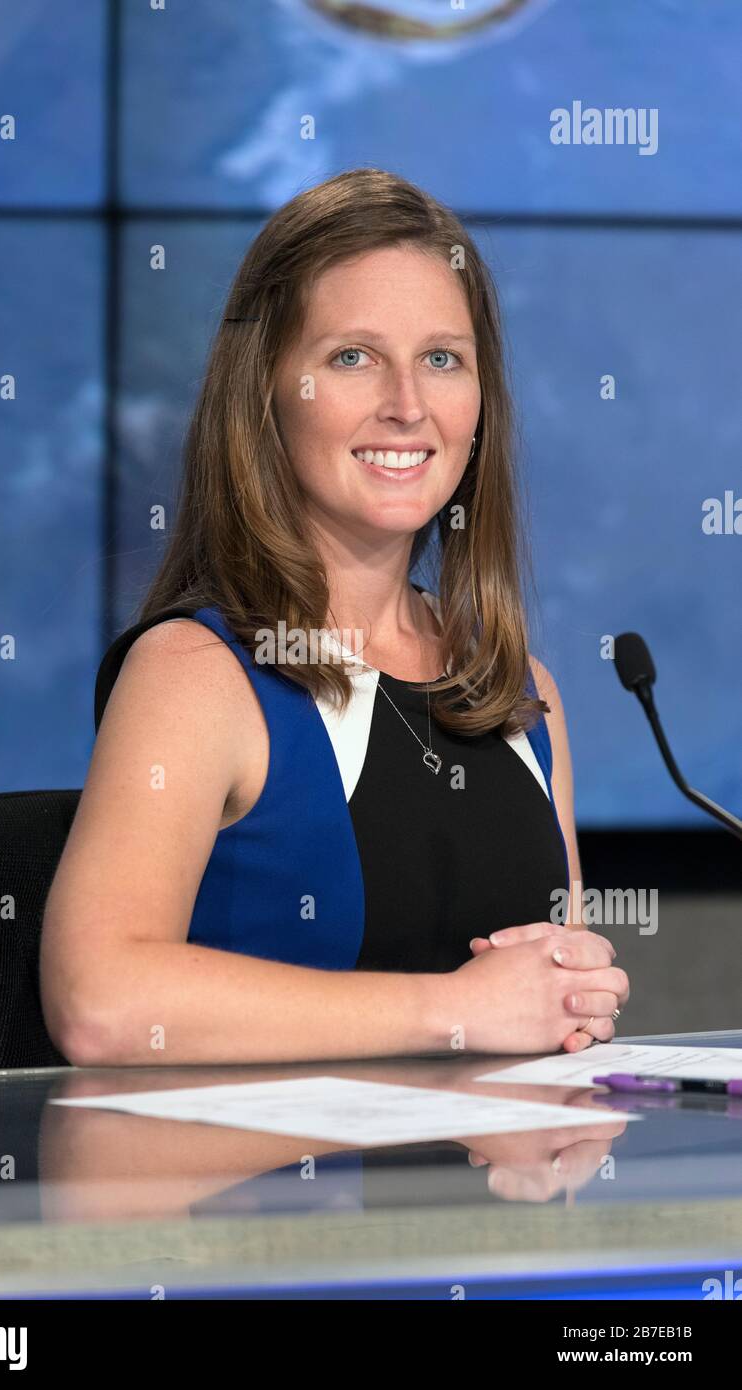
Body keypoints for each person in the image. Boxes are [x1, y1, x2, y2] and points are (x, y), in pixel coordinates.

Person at [40, 168, 629, 1067]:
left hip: (500, 1202)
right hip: (275, 1204)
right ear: (266, 394)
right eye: (352, 356)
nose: (407, 404)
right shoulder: (195, 673)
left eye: (443, 358)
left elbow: (542, 1011)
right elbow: (101, 1004)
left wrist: (573, 993)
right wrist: (452, 1012)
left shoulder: (518, 691)